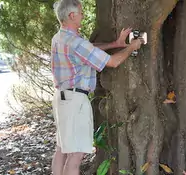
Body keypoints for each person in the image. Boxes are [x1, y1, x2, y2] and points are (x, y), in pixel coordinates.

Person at [51, 0, 143, 174]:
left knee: (62, 150)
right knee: (76, 155)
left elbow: (89, 49)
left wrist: (115, 44)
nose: (83, 15)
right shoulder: (76, 43)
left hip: (61, 99)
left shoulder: (61, 37)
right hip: (75, 101)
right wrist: (132, 47)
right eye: (81, 13)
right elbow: (113, 62)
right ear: (72, 16)